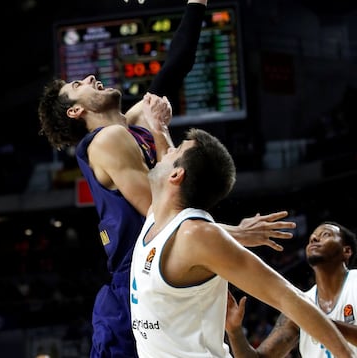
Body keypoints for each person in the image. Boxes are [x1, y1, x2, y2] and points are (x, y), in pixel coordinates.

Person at [38, 0, 296, 358]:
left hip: (163, 268)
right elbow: (160, 214)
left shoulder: (133, 121)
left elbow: (175, 67)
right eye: (77, 84)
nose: (89, 77)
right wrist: (234, 233)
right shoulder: (105, 141)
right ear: (75, 111)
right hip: (135, 281)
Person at [129, 122, 355, 358]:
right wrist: (158, 125)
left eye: (176, 149)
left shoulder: (196, 234)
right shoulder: (157, 218)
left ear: (176, 175)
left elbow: (286, 296)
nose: (166, 150)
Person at [225, 221, 357, 357]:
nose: (314, 239)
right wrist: (235, 332)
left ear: (346, 251)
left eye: (325, 234)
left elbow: (309, 317)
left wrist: (316, 321)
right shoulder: (300, 305)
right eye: (312, 237)